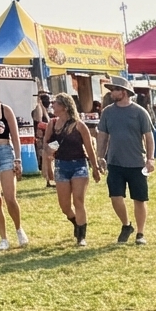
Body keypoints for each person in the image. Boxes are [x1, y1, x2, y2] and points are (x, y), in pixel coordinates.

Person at [95, 78, 154, 245]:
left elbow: (149, 138)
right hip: (115, 163)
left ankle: (140, 233)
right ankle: (126, 225)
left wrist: (150, 159)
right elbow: (103, 137)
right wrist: (100, 157)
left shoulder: (140, 112)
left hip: (137, 163)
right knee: (115, 197)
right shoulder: (107, 112)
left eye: (114, 89)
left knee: (139, 199)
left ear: (124, 91)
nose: (111, 92)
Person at [46, 93, 102, 245]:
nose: (52, 105)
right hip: (61, 165)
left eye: (55, 103)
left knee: (78, 200)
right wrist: (47, 166)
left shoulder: (79, 125)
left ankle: (81, 236)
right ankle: (76, 222)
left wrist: (95, 168)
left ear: (64, 106)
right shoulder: (51, 124)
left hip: (79, 165)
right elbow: (46, 147)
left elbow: (90, 148)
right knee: (64, 206)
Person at [0, 82, 27, 250]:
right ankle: (3, 238)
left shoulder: (5, 110)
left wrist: (18, 159)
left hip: (5, 151)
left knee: (10, 197)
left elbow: (15, 135)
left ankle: (19, 229)